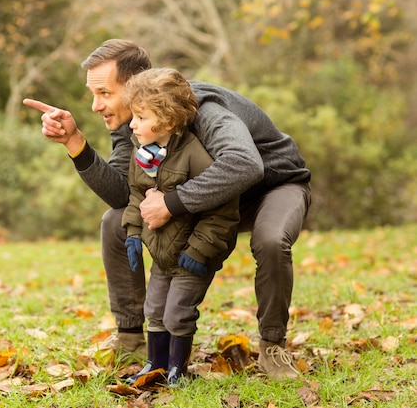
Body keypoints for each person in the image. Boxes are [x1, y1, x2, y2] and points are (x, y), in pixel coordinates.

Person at [23, 39, 311, 380]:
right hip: (204, 202)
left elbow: (246, 165)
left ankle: (272, 347)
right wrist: (75, 143)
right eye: (93, 94)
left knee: (271, 237)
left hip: (271, 188)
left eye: (104, 93)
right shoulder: (133, 125)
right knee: (115, 221)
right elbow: (122, 196)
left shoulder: (203, 107)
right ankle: (132, 340)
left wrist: (171, 204)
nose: (95, 105)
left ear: (134, 87)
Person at [121, 67, 239, 386]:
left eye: (141, 117)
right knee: (155, 310)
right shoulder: (141, 153)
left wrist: (199, 250)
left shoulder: (194, 155)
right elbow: (136, 195)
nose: (132, 124)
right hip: (161, 253)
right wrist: (133, 232)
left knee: (177, 313)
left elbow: (223, 208)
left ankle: (178, 370)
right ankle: (155, 364)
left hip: (191, 255)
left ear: (168, 121)